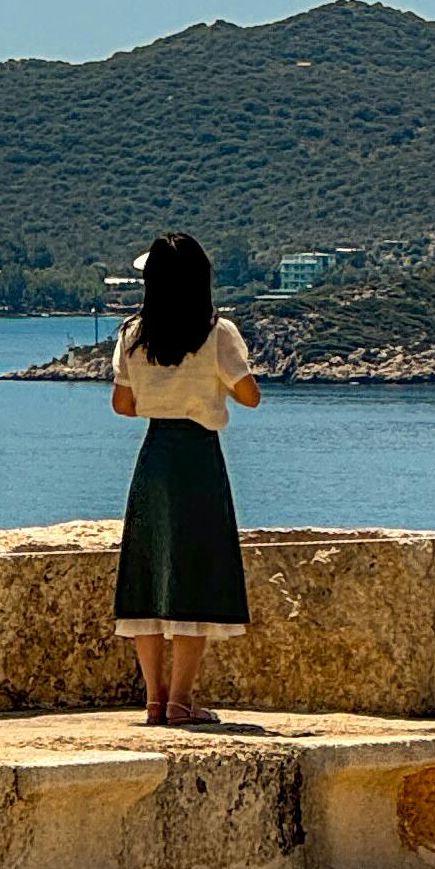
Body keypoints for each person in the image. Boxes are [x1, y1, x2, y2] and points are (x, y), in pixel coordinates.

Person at [108, 231, 262, 725]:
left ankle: (154, 700)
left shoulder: (133, 334)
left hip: (155, 457)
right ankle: (181, 700)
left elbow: (123, 404)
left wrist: (164, 395)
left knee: (150, 576)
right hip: (198, 457)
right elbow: (249, 396)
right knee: (193, 574)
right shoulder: (218, 333)